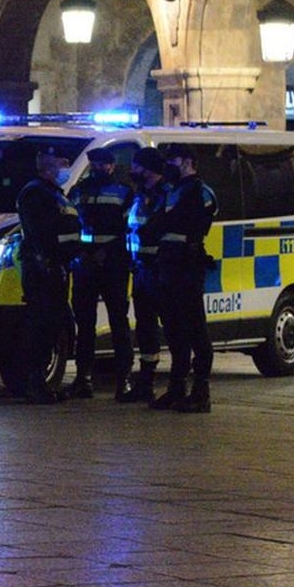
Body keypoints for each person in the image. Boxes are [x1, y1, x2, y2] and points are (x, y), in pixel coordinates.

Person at [152, 143, 218, 413]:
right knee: (174, 329)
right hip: (168, 265)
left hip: (188, 266)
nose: (169, 164)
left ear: (188, 161)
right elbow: (157, 223)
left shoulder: (200, 191)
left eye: (173, 159)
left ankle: (201, 392)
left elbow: (189, 222)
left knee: (195, 328)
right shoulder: (173, 191)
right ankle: (177, 387)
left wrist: (163, 223)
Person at [66, 147, 134, 399]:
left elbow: (128, 229)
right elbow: (70, 223)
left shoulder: (123, 192)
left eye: (102, 164)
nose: (97, 168)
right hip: (85, 263)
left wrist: (107, 251)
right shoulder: (78, 191)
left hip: (113, 263)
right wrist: (81, 252)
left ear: (111, 166)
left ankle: (124, 379)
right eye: (93, 164)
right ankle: (83, 378)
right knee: (84, 324)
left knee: (118, 322)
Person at [16, 147, 80, 404]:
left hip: (56, 266)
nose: (66, 168)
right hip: (44, 269)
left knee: (51, 324)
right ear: (48, 167)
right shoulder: (36, 193)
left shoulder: (54, 193)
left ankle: (39, 382)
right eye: (62, 163)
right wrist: (49, 261)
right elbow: (40, 234)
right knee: (41, 326)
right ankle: (35, 383)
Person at [120, 147, 172, 403]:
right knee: (145, 328)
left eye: (136, 166)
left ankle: (177, 385)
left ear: (149, 169)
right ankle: (146, 382)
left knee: (172, 326)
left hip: (161, 271)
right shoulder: (140, 195)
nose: (132, 170)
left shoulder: (167, 195)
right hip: (142, 270)